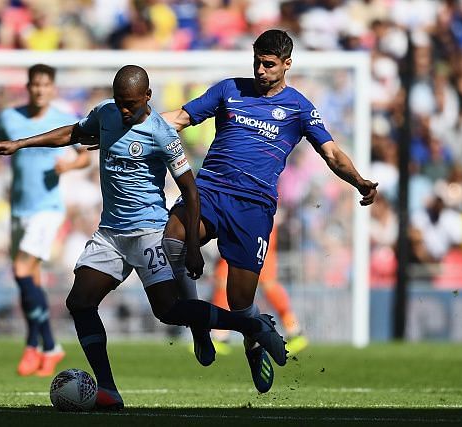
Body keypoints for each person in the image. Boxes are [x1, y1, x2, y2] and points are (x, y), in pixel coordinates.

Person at [0, 65, 288, 410]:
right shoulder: (106, 113)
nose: (124, 110)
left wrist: (191, 247)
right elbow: (73, 133)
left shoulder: (162, 134)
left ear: (147, 97)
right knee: (79, 303)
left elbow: (190, 192)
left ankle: (250, 324)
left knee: (169, 311)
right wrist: (21, 144)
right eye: (120, 102)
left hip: (148, 232)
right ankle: (109, 390)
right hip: (111, 233)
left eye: (131, 104)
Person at [161, 29, 378, 394]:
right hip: (211, 190)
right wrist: (133, 124)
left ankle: (252, 339)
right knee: (173, 241)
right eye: (256, 62)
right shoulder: (229, 89)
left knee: (240, 301)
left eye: (269, 64)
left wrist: (359, 181)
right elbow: (180, 118)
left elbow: (331, 154)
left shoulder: (299, 107)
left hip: (254, 207)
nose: (260, 70)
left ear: (286, 64)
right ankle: (199, 324)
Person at [0, 64, 91, 377]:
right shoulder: (9, 118)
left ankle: (45, 345)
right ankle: (40, 346)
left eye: (45, 85)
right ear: (28, 87)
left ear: (52, 88)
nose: (40, 90)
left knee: (21, 268)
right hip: (19, 208)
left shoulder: (62, 121)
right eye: (35, 85)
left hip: (47, 208)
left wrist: (69, 166)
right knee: (29, 279)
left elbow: (84, 155)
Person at [211, 225, 309, 356]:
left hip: (258, 224)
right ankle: (220, 336)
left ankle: (294, 330)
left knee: (268, 282)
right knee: (223, 279)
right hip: (235, 226)